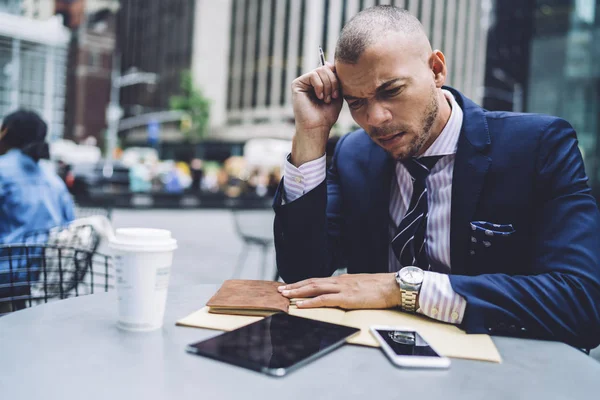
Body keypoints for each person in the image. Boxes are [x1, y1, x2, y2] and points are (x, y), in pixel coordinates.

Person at [273, 6, 600, 350]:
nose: (375, 118)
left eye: (391, 91)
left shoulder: (537, 146)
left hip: (500, 367)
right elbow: (302, 274)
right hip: (372, 364)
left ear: (436, 69)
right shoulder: (355, 153)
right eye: (356, 102)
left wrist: (404, 288)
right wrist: (311, 134)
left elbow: (581, 304)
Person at [0, 110, 75, 244]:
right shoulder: (54, 181)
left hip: (6, 262)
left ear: (5, 131)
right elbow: (70, 225)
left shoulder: (3, 171)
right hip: (49, 263)